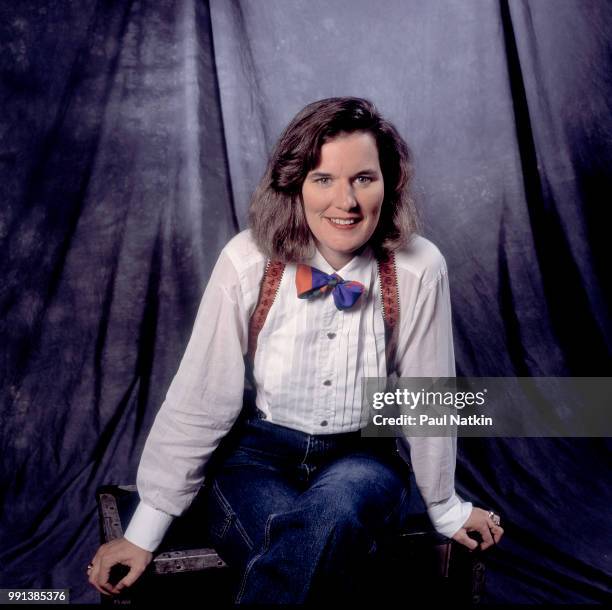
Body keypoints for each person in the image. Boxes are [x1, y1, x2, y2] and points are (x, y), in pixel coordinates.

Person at [87, 97, 503, 603]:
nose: (345, 201)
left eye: (363, 178)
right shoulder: (247, 261)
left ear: (388, 183)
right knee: (305, 548)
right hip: (255, 458)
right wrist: (143, 531)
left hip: (363, 458)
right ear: (295, 185)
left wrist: (444, 507)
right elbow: (203, 396)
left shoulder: (419, 267)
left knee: (333, 517)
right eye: (323, 178)